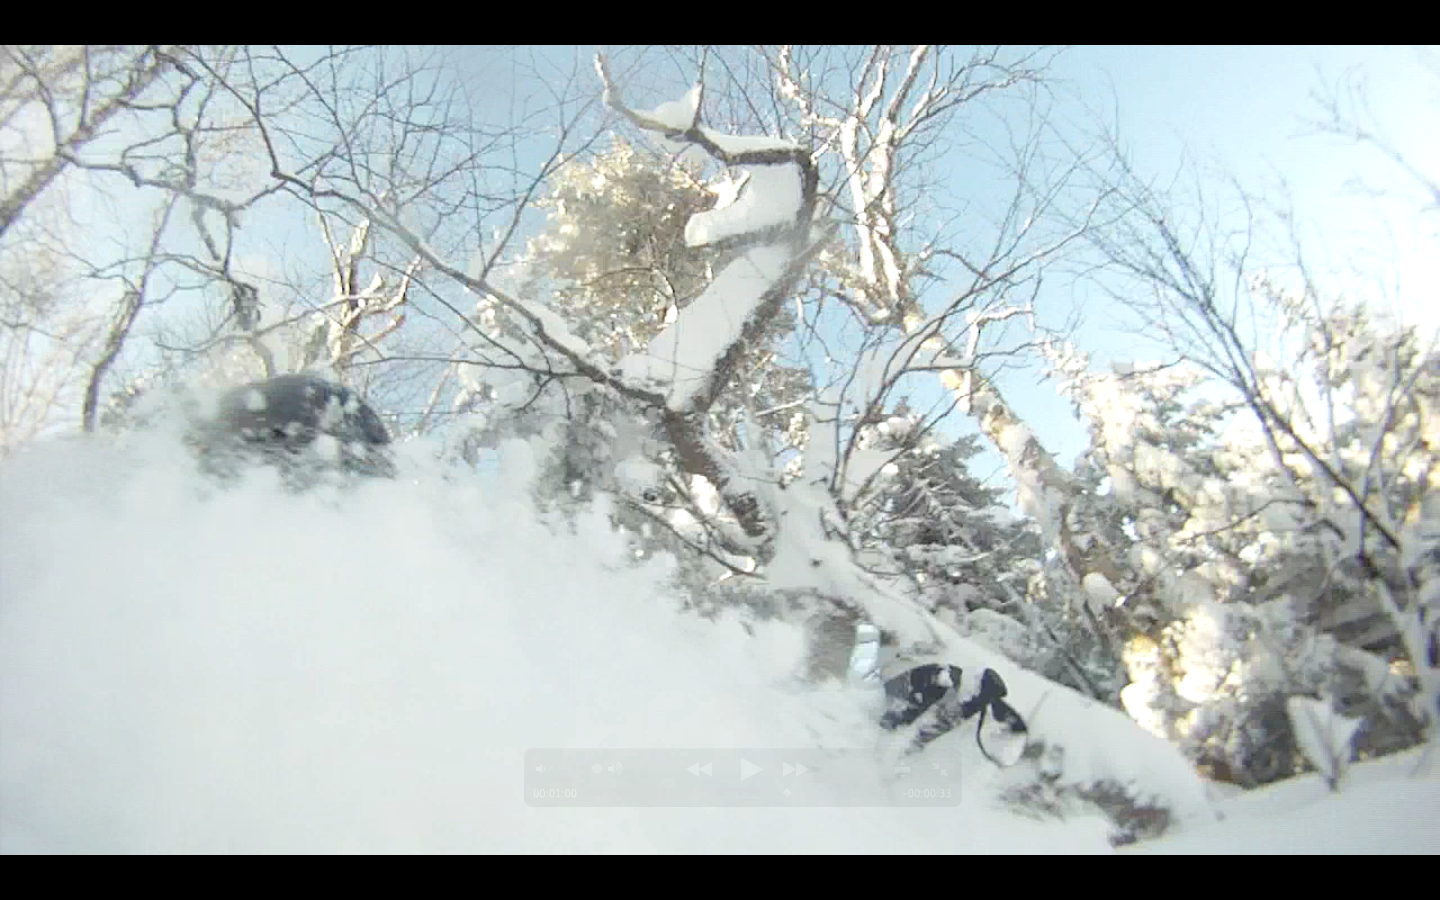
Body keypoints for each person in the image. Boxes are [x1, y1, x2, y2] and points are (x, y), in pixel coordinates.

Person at [879, 662, 1029, 766]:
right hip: (895, 700)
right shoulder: (942, 680)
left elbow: (935, 728)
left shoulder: (972, 700)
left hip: (910, 709)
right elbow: (908, 707)